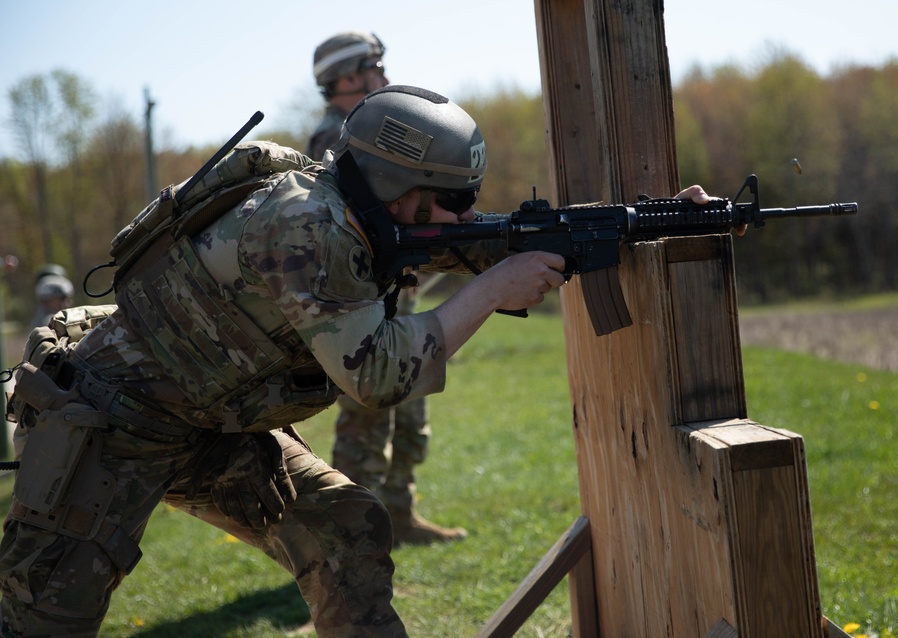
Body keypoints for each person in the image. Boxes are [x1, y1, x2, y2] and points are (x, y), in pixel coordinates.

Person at [0, 85, 571, 637]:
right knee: (43, 616)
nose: (466, 214)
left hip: (211, 421)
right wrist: (494, 289)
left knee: (345, 527)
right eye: (456, 199)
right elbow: (376, 374)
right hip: (112, 420)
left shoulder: (360, 215)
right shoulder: (306, 224)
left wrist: (563, 235)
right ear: (397, 183)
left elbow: (449, 240)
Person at [306, 31, 465, 544]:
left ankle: (399, 516)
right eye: (374, 68)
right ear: (347, 79)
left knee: (409, 421)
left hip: (398, 303)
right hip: (365, 311)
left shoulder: (367, 130)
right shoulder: (339, 139)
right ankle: (353, 539)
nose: (384, 77)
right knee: (366, 429)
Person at [306, 31, 389, 161]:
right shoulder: (335, 138)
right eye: (378, 70)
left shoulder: (351, 130)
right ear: (350, 79)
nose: (386, 81)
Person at [30, 264, 74, 328]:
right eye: (61, 299)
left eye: (67, 298)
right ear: (47, 301)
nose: (66, 304)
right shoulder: (49, 322)